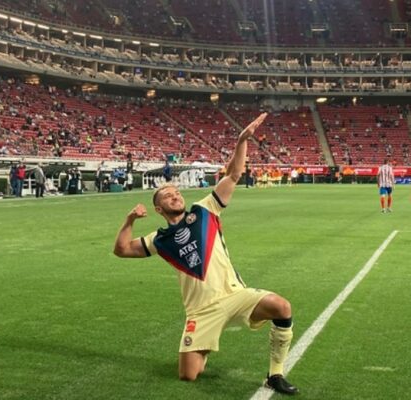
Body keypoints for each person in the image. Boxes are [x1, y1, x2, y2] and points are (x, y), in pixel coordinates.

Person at [113, 113, 298, 395]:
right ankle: (204, 347)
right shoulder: (159, 240)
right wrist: (129, 221)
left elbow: (234, 175)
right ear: (159, 209)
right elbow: (122, 250)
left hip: (234, 294)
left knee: (282, 307)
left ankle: (275, 374)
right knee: (189, 376)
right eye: (167, 196)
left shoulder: (205, 210)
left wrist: (241, 140)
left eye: (176, 192)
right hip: (201, 311)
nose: (175, 196)